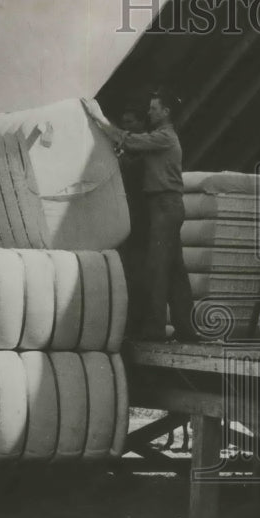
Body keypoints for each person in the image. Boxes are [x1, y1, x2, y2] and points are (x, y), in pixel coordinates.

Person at [84, 93, 197, 342]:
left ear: (166, 112)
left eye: (154, 109)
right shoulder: (163, 140)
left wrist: (98, 119)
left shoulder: (164, 137)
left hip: (164, 205)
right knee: (175, 269)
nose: (149, 113)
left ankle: (155, 329)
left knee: (156, 268)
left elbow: (127, 140)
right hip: (167, 205)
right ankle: (186, 328)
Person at [116, 107, 148, 329]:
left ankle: (136, 321)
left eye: (130, 121)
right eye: (124, 122)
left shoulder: (144, 147)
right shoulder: (129, 150)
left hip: (139, 215)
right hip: (128, 212)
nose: (127, 127)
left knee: (137, 269)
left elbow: (134, 171)